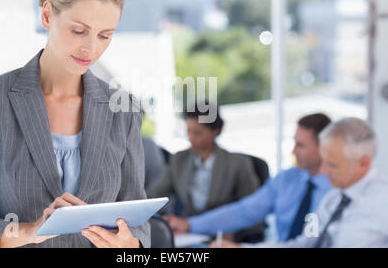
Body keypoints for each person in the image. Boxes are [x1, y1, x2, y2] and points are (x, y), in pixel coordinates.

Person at [0, 0, 149, 248]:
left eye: (105, 36)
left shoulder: (123, 110)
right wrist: (30, 231)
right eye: (79, 30)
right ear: (48, 15)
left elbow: (137, 218)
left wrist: (131, 246)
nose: (91, 48)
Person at [212, 117, 388, 248]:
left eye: (332, 165)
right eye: (324, 161)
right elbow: (303, 244)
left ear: (363, 164)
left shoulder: (382, 202)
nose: (323, 171)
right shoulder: (333, 199)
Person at [165, 113, 333, 243]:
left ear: (323, 146)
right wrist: (190, 224)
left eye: (301, 145)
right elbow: (244, 211)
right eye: (294, 143)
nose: (293, 151)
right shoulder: (286, 179)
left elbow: (307, 244)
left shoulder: (339, 188)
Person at [146, 103, 262, 241]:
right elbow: (154, 195)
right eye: (188, 131)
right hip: (187, 234)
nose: (190, 137)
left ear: (216, 131)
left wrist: (236, 234)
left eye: (197, 132)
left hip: (223, 235)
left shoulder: (237, 164)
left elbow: (253, 211)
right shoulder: (179, 160)